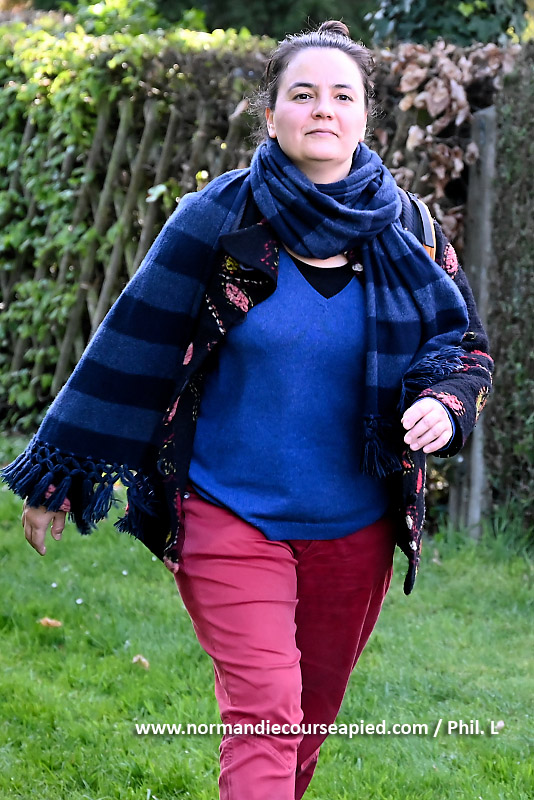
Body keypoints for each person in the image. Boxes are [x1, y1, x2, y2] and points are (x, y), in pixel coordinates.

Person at [3, 20, 493, 800]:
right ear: (270, 115)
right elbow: (133, 340)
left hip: (355, 528)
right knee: (266, 712)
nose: (323, 109)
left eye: (343, 95)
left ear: (366, 116)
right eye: (303, 94)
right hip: (227, 513)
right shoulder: (219, 219)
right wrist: (60, 473)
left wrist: (445, 400)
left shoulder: (411, 230)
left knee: (306, 724)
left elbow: (463, 345)